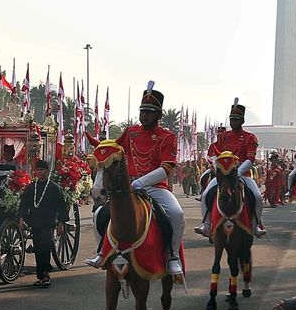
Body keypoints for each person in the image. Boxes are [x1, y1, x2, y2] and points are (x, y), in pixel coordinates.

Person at [87, 81, 184, 275]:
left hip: (156, 187)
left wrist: (141, 182)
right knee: (99, 214)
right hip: (128, 186)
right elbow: (113, 147)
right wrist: (99, 149)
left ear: (158, 114)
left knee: (176, 214)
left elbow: (167, 168)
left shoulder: (167, 136)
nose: (144, 115)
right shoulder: (131, 132)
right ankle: (101, 252)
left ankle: (172, 255)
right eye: (142, 111)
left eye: (149, 112)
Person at [196, 98, 265, 237]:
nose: (234, 122)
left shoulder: (249, 137)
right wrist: (217, 165)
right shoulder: (223, 137)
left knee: (257, 197)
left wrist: (237, 172)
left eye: (237, 119)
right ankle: (207, 224)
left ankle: (255, 225)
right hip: (223, 175)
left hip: (242, 174)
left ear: (242, 121)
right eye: (232, 119)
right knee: (205, 195)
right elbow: (215, 154)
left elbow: (250, 159)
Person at [17, 159, 69, 288]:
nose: (39, 172)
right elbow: (24, 203)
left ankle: (46, 274)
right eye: (37, 170)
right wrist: (21, 218)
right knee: (38, 248)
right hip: (35, 222)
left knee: (45, 246)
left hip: (48, 222)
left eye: (42, 170)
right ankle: (41, 276)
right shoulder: (31, 187)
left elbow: (61, 207)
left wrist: (61, 223)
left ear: (47, 171)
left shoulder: (53, 188)